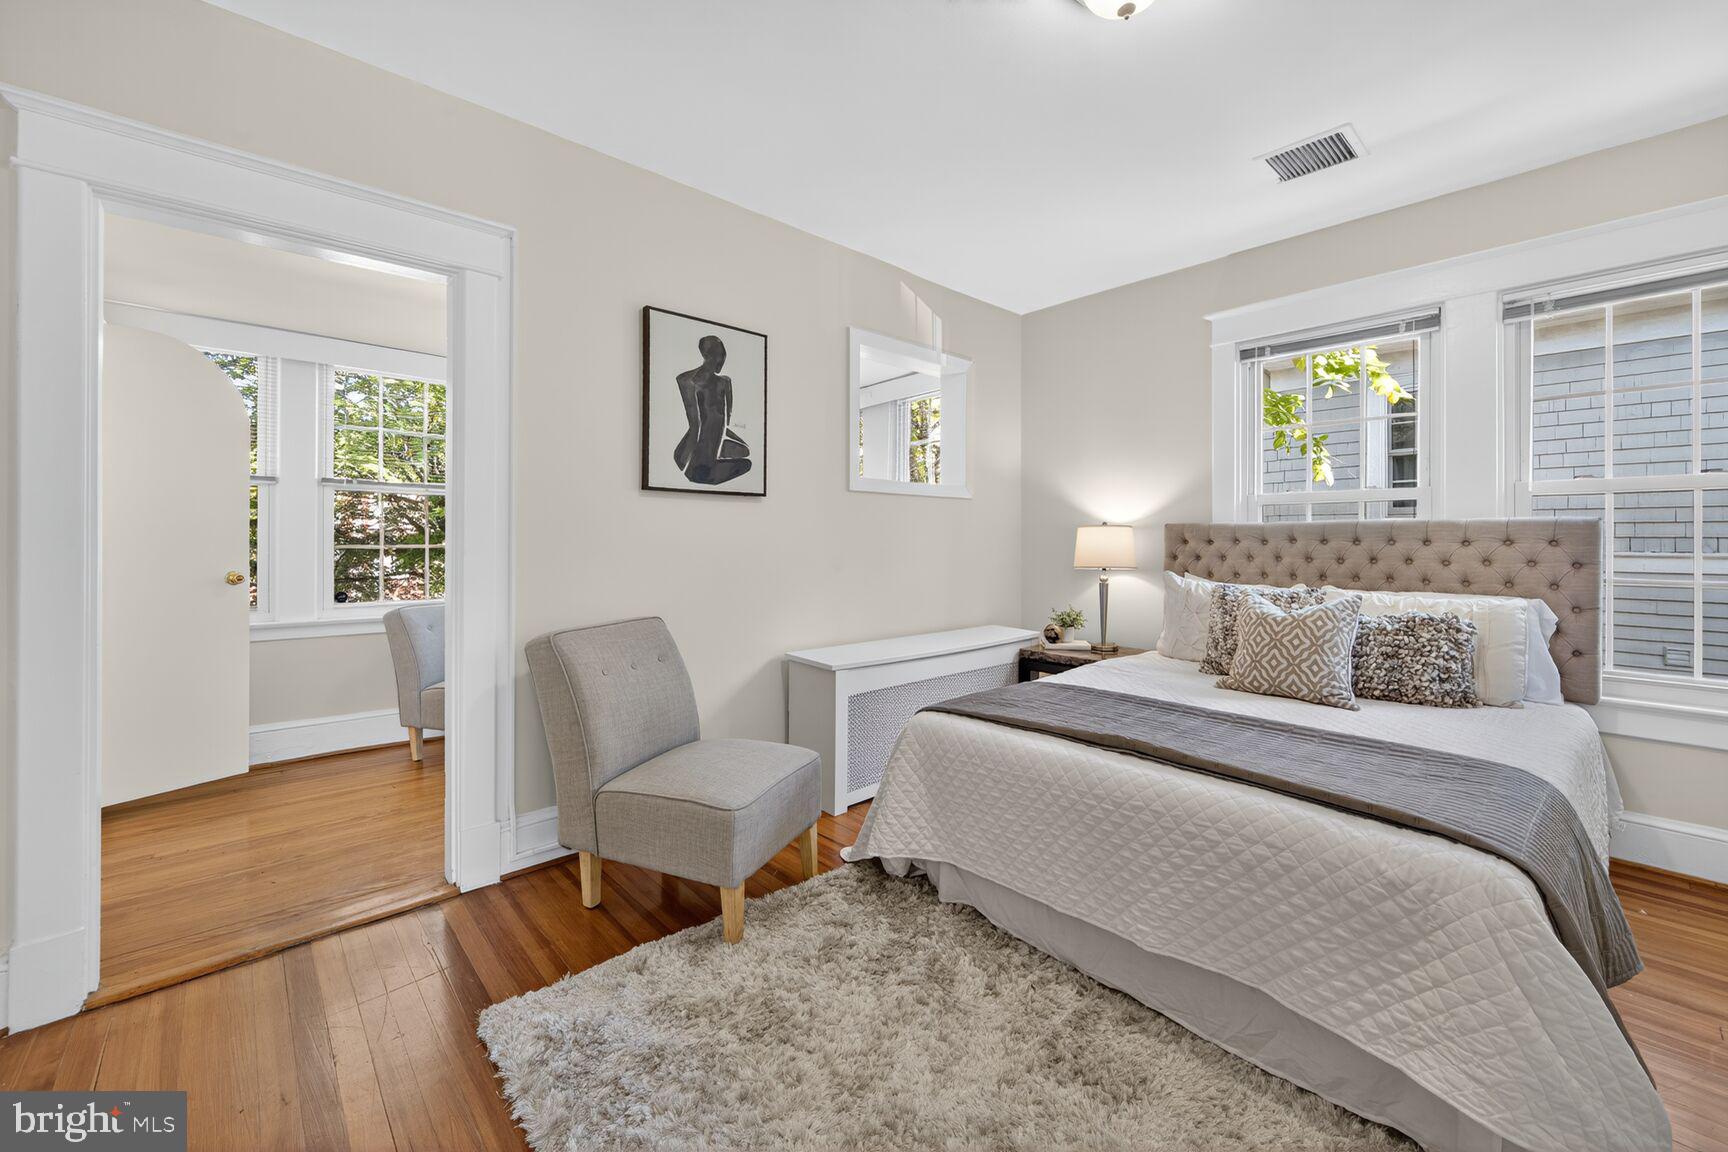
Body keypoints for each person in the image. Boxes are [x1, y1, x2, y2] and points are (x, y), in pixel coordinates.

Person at [673, 334, 752, 484]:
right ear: (705, 355)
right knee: (746, 464)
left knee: (745, 451)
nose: (721, 359)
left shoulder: (725, 382)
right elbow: (695, 425)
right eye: (717, 355)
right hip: (699, 464)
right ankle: (694, 464)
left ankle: (706, 459)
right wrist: (684, 464)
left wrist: (741, 442)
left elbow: (725, 423)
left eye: (723, 354)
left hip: (713, 444)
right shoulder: (689, 381)